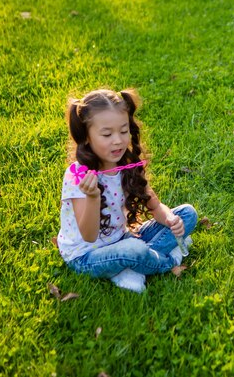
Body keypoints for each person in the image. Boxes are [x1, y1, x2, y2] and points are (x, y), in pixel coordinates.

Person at [56, 89, 197, 293]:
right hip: (87, 256)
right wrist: (93, 197)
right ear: (86, 137)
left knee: (187, 214)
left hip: (122, 238)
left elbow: (155, 206)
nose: (118, 140)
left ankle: (135, 265)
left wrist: (170, 220)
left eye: (123, 131)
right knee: (134, 250)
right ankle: (167, 260)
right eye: (107, 134)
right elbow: (88, 235)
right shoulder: (78, 175)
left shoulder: (127, 165)